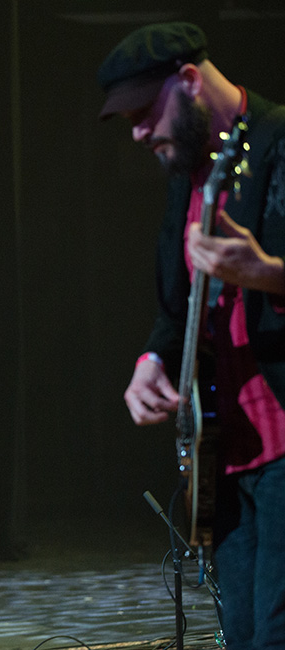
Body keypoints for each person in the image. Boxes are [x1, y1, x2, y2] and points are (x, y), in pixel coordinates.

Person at [98, 22, 285, 649]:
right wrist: (154, 356)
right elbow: (178, 303)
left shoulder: (279, 141)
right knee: (245, 632)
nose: (139, 131)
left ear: (187, 82)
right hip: (225, 450)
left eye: (146, 112)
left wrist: (267, 274)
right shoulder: (190, 167)